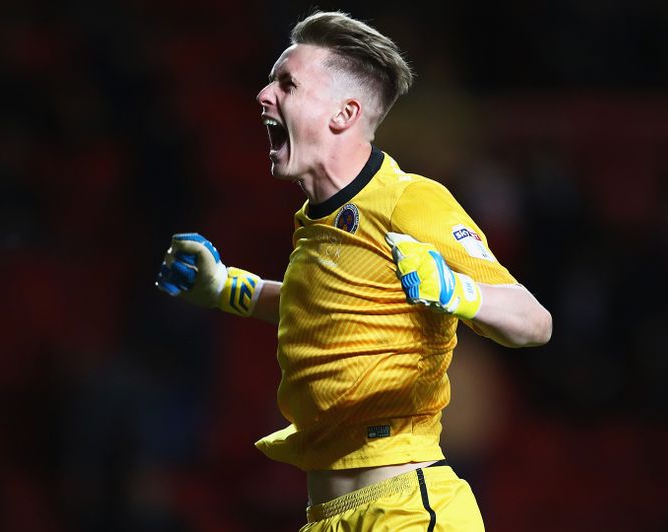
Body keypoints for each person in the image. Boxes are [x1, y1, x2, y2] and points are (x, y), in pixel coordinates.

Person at [155, 10, 552, 531]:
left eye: (287, 84)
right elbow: (322, 307)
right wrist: (226, 288)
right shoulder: (315, 220)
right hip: (326, 516)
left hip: (406, 511)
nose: (264, 95)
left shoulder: (410, 200)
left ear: (344, 114)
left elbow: (534, 321)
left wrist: (455, 290)